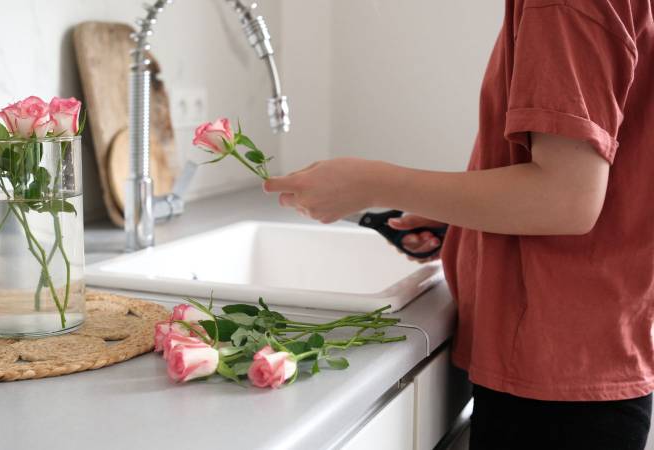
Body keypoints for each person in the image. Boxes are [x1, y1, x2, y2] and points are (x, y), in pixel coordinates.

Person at [263, 1, 654, 449]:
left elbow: (566, 199)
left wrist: (372, 183)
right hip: (587, 356)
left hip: (555, 381)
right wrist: (469, 224)